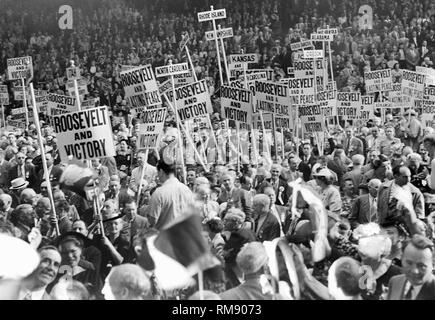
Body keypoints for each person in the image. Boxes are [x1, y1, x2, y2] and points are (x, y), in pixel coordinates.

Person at [144, 160, 194, 230]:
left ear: (161, 171)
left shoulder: (159, 193)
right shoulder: (187, 190)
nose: (157, 175)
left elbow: (152, 220)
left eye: (157, 172)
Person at [387, 234, 435, 300]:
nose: (414, 271)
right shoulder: (395, 282)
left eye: (421, 266)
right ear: (402, 258)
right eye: (409, 263)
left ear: (432, 264)